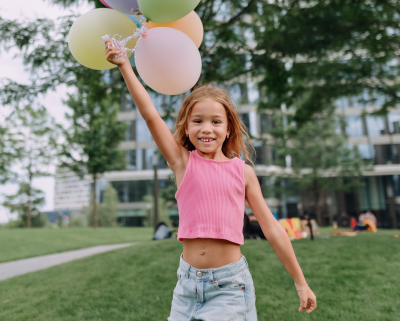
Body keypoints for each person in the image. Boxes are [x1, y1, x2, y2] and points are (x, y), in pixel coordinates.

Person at [105, 40, 317, 319]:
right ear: (186, 125)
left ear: (228, 128)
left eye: (216, 122)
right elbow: (149, 115)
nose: (207, 129)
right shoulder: (182, 162)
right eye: (198, 121)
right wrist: (124, 65)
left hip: (229, 286)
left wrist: (300, 282)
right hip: (186, 286)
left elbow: (273, 230)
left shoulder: (243, 173)